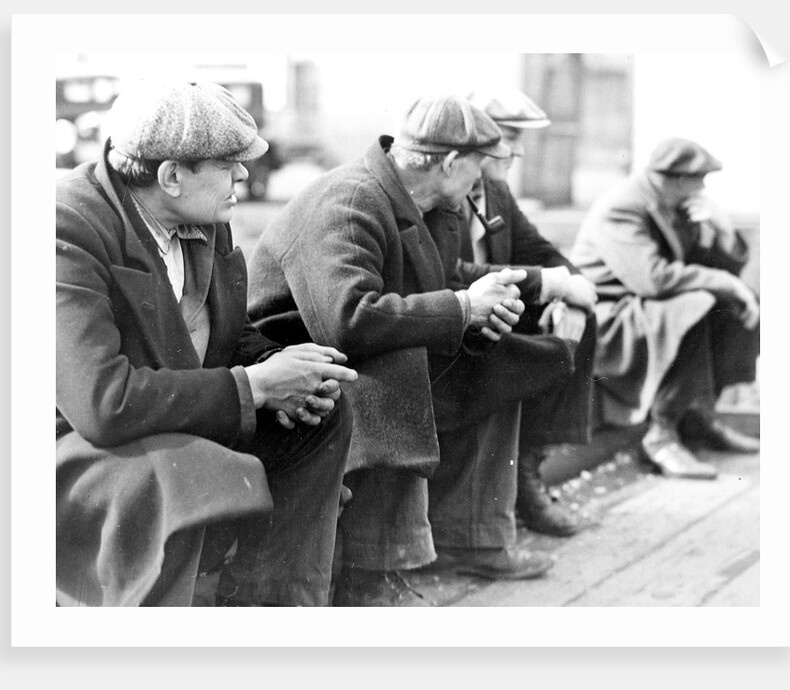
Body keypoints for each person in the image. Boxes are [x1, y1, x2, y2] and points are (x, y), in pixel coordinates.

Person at [246, 95, 589, 606]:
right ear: (449, 163)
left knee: (504, 360)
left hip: (354, 351)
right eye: (479, 168)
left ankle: (471, 538)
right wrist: (460, 308)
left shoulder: (427, 202)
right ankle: (370, 576)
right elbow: (348, 319)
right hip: (295, 360)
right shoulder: (349, 200)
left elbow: (440, 283)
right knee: (397, 372)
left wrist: (481, 312)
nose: (485, 182)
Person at [56, 80, 358, 607]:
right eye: (228, 163)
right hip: (71, 445)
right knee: (191, 471)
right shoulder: (65, 226)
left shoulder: (198, 214)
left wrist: (278, 366)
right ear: (172, 175)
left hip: (165, 418)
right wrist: (254, 387)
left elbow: (222, 334)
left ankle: (274, 612)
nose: (244, 173)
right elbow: (101, 403)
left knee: (323, 413)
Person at [569, 137, 760, 480]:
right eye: (697, 180)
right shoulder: (623, 206)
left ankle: (697, 415)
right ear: (670, 178)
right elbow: (652, 279)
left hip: (646, 305)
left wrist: (719, 229)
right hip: (610, 312)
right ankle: (661, 433)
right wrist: (723, 282)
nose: (702, 189)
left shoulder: (672, 204)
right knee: (698, 305)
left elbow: (711, 268)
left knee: (734, 304)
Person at [462, 88, 598, 537]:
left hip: (492, 312)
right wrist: (549, 283)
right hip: (454, 323)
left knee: (578, 320)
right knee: (541, 337)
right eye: (508, 136)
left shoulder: (495, 193)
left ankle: (529, 470)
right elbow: (452, 272)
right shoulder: (441, 193)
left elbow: (540, 250)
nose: (517, 150)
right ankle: (513, 488)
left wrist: (571, 288)